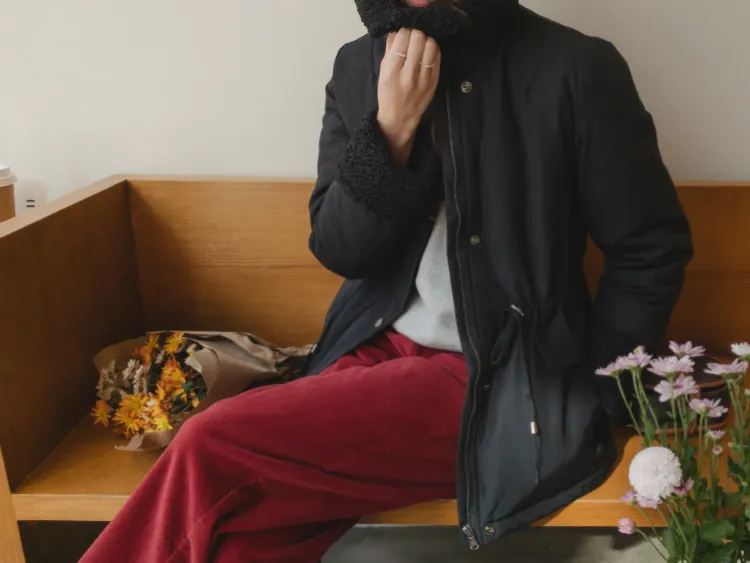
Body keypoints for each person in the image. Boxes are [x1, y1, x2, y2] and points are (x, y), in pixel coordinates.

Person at [81, 0, 693, 561]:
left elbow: (648, 246)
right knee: (241, 535)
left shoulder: (575, 67)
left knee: (209, 445)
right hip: (373, 345)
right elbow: (341, 251)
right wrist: (391, 132)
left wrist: (608, 390)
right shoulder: (358, 64)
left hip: (499, 374)